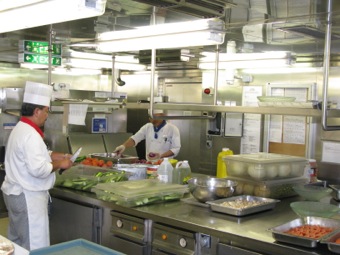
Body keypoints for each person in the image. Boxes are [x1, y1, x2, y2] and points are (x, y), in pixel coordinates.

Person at [1, 81, 73, 251]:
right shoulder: (31, 135)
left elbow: (33, 155)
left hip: (14, 193)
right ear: (37, 111)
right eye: (46, 111)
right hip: (28, 197)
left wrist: (56, 155)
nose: (47, 116)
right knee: (34, 244)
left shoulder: (21, 129)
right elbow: (38, 169)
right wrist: (61, 163)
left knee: (17, 241)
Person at [115, 109, 181, 161]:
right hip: (150, 164)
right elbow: (135, 138)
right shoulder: (147, 127)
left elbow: (176, 148)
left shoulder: (172, 129)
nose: (151, 120)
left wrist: (160, 156)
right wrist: (123, 146)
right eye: (150, 117)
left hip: (165, 165)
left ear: (162, 115)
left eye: (154, 117)